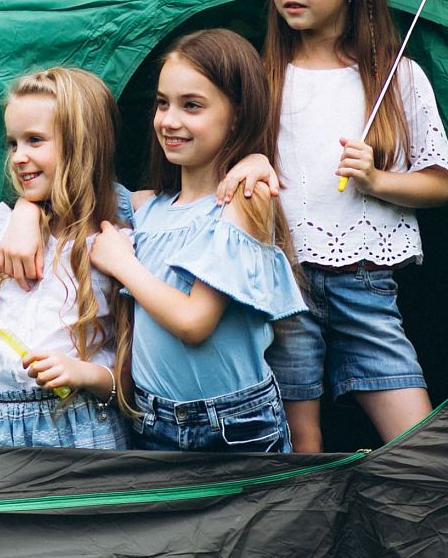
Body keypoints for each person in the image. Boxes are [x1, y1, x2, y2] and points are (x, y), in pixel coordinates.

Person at [226, 0, 448, 452]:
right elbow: (222, 177)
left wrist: (378, 181)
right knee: (300, 443)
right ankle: (312, 537)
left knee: (415, 439)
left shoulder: (397, 78)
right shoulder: (262, 76)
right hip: (283, 281)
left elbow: (440, 186)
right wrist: (251, 161)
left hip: (366, 283)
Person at [84, 29, 309, 453]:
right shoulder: (148, 207)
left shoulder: (244, 200)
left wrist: (123, 264)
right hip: (152, 421)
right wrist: (23, 212)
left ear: (238, 115)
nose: (169, 120)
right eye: (162, 103)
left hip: (232, 426)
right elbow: (69, 191)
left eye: (192, 106)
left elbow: (194, 323)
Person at [0, 67, 131, 449]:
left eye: (35, 141)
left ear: (81, 145)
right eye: (13, 144)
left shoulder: (113, 242)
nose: (18, 157)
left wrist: (82, 373)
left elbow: (130, 378)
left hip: (79, 423)